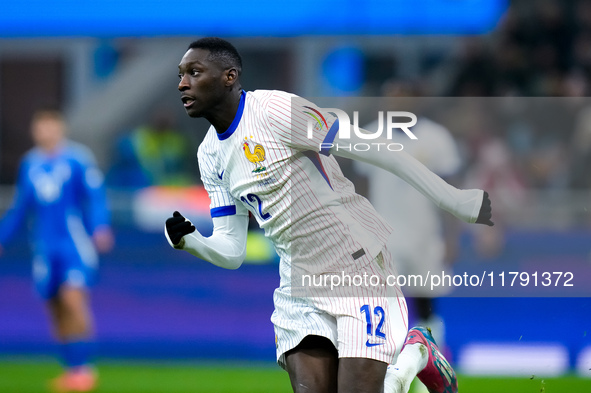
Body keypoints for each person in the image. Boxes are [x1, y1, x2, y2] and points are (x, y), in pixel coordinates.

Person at [164, 37, 493, 393]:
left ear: (229, 76)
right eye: (181, 74)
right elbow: (232, 250)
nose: (183, 83)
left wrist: (454, 200)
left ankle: (418, 352)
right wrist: (191, 241)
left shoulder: (275, 111)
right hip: (298, 283)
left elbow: (377, 150)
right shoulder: (209, 155)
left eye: (194, 73)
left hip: (356, 265)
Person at [0, 109, 114, 392]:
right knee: (56, 309)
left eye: (50, 125)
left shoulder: (78, 159)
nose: (45, 131)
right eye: (40, 126)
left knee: (73, 299)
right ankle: (72, 369)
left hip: (74, 246)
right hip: (44, 250)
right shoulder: (30, 164)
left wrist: (100, 226)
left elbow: (95, 196)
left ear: (60, 128)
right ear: (34, 130)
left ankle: (85, 371)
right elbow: (20, 208)